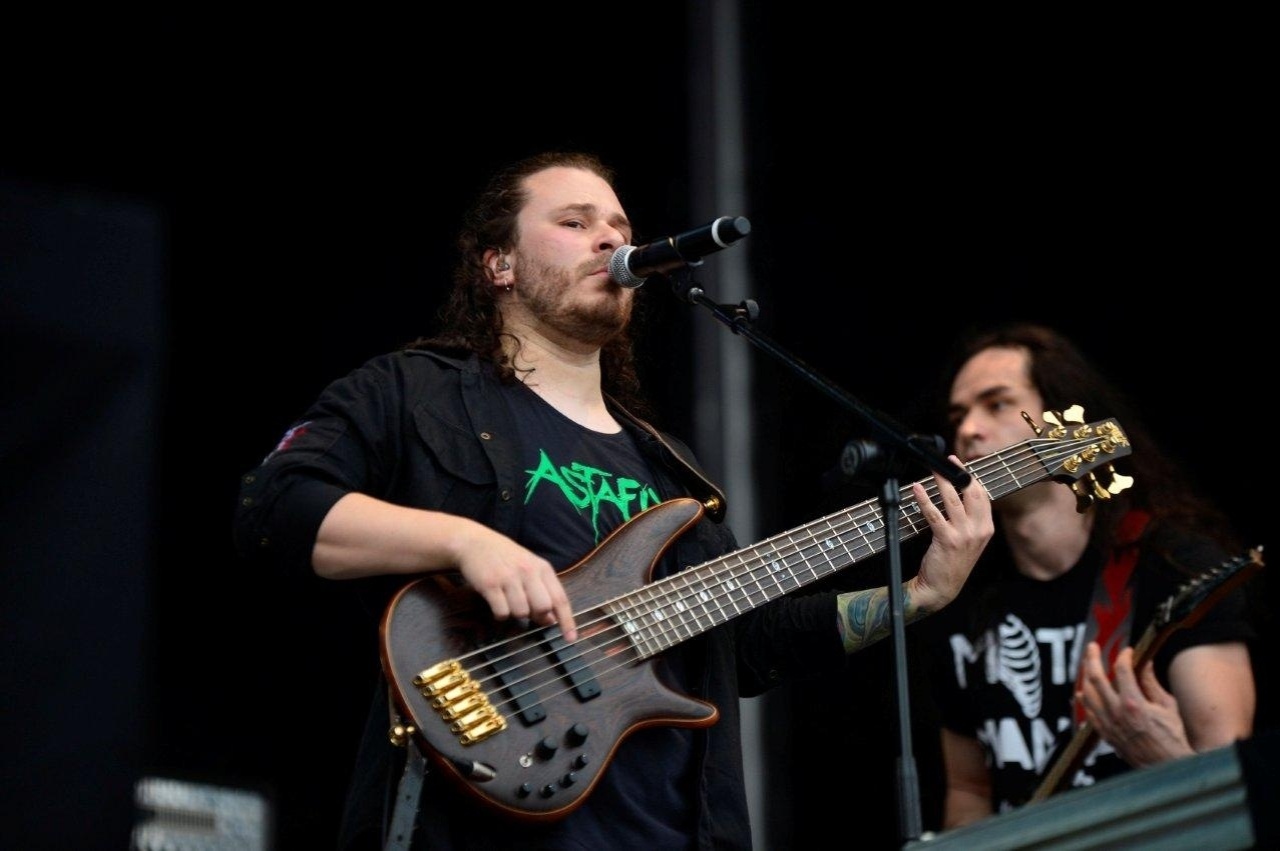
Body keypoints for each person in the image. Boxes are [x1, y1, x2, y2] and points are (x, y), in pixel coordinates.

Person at [231, 150, 994, 850]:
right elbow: (279, 505)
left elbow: (750, 646)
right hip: (472, 822)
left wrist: (918, 595)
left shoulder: (672, 469)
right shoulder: (415, 392)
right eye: (574, 222)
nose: (609, 238)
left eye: (620, 226)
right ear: (499, 264)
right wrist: (465, 542)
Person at [921, 322, 1257, 828]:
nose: (967, 430)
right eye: (959, 415)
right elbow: (970, 789)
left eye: (995, 404)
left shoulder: (1175, 566)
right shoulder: (958, 591)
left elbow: (1232, 788)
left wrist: (1167, 759)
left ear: (1062, 421)